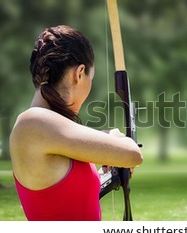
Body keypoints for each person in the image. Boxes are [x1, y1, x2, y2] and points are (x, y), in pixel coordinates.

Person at [10, 25, 143, 221]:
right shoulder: (32, 123)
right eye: (91, 78)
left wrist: (109, 176)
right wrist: (114, 135)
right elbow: (133, 154)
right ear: (79, 73)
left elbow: (66, 201)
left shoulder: (50, 134)